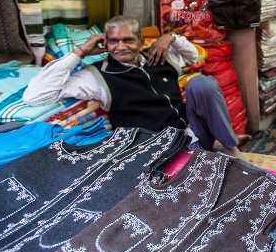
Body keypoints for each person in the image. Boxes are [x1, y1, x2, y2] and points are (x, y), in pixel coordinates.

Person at [23, 16, 247, 158]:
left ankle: (231, 147)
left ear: (141, 41)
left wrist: (170, 38)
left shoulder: (157, 55)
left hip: (192, 133)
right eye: (113, 41)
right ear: (105, 44)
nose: (120, 47)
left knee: (201, 83)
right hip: (158, 150)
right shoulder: (97, 76)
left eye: (128, 40)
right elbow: (35, 97)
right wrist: (80, 52)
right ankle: (220, 147)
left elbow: (194, 56)